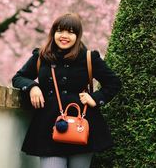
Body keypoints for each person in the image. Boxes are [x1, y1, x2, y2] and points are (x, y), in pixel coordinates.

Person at [12, 13, 121, 168]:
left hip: (81, 125)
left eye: (70, 32)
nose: (64, 36)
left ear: (77, 35)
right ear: (53, 33)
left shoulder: (89, 58)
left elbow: (113, 83)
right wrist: (32, 87)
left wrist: (96, 98)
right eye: (60, 31)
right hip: (49, 125)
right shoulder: (41, 56)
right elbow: (19, 77)